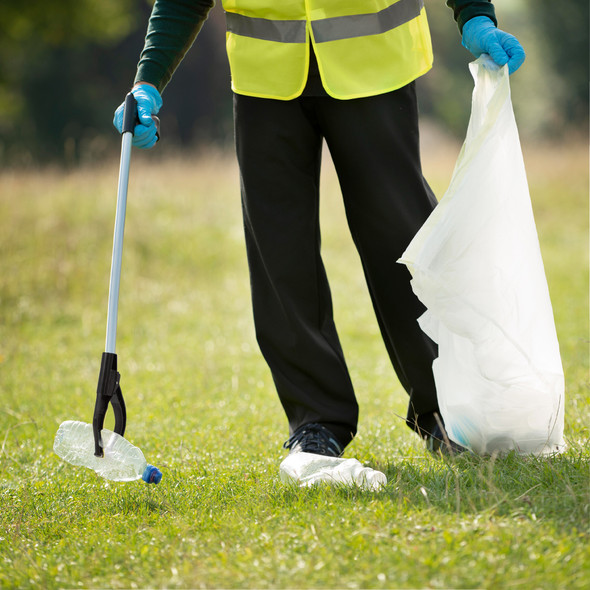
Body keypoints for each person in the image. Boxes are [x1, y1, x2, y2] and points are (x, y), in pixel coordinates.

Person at [114, 0, 525, 457]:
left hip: (375, 66)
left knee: (402, 238)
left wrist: (473, 15)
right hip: (265, 80)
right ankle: (316, 422)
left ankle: (447, 408)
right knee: (280, 252)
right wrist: (148, 80)